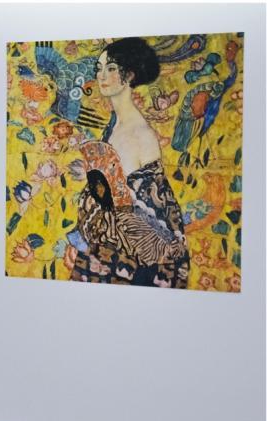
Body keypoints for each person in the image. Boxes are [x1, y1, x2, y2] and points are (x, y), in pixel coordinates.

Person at [67, 37, 190, 288]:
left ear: (130, 75)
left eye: (111, 68)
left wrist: (89, 244)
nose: (101, 75)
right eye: (99, 68)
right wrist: (82, 240)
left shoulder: (139, 134)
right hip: (100, 251)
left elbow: (149, 218)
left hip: (127, 264)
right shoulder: (114, 124)